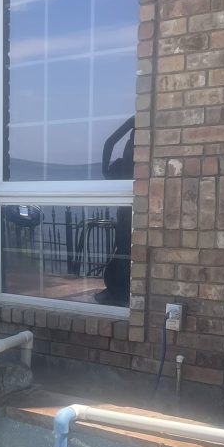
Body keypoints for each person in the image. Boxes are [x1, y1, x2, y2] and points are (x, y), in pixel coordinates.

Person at [94, 116, 134, 307]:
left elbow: (109, 142)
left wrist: (104, 171)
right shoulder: (138, 122)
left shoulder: (125, 162)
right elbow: (110, 142)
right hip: (126, 211)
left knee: (125, 248)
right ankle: (120, 290)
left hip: (127, 211)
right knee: (125, 248)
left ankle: (122, 290)